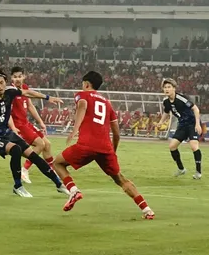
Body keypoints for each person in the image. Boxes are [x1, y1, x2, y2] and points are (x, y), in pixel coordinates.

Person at [52, 71, 155, 219]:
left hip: (86, 145)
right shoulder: (107, 103)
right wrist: (112, 152)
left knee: (58, 163)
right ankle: (147, 210)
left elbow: (82, 104)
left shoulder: (82, 94)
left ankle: (73, 190)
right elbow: (117, 134)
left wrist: (75, 129)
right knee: (120, 179)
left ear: (86, 84)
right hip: (105, 148)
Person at [0, 69, 68, 197]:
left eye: (1, 83)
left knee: (34, 156)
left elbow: (27, 93)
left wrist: (48, 98)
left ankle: (59, 184)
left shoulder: (10, 92)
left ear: (6, 82)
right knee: (15, 149)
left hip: (6, 132)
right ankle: (18, 186)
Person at [10, 66, 53, 184]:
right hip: (19, 125)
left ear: (24, 77)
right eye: (15, 77)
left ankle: (52, 171)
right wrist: (13, 128)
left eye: (19, 76)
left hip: (26, 123)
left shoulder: (24, 88)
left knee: (47, 145)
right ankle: (24, 170)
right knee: (40, 144)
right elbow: (8, 112)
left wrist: (40, 122)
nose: (17, 79)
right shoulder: (11, 91)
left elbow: (30, 106)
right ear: (11, 78)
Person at [155, 78, 203, 179]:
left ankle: (198, 172)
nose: (166, 89)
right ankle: (181, 169)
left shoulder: (181, 98)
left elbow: (195, 108)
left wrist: (197, 124)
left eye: (169, 87)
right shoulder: (166, 101)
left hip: (192, 124)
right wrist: (160, 122)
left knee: (194, 146)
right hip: (182, 125)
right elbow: (166, 112)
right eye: (165, 87)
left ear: (174, 88)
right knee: (172, 146)